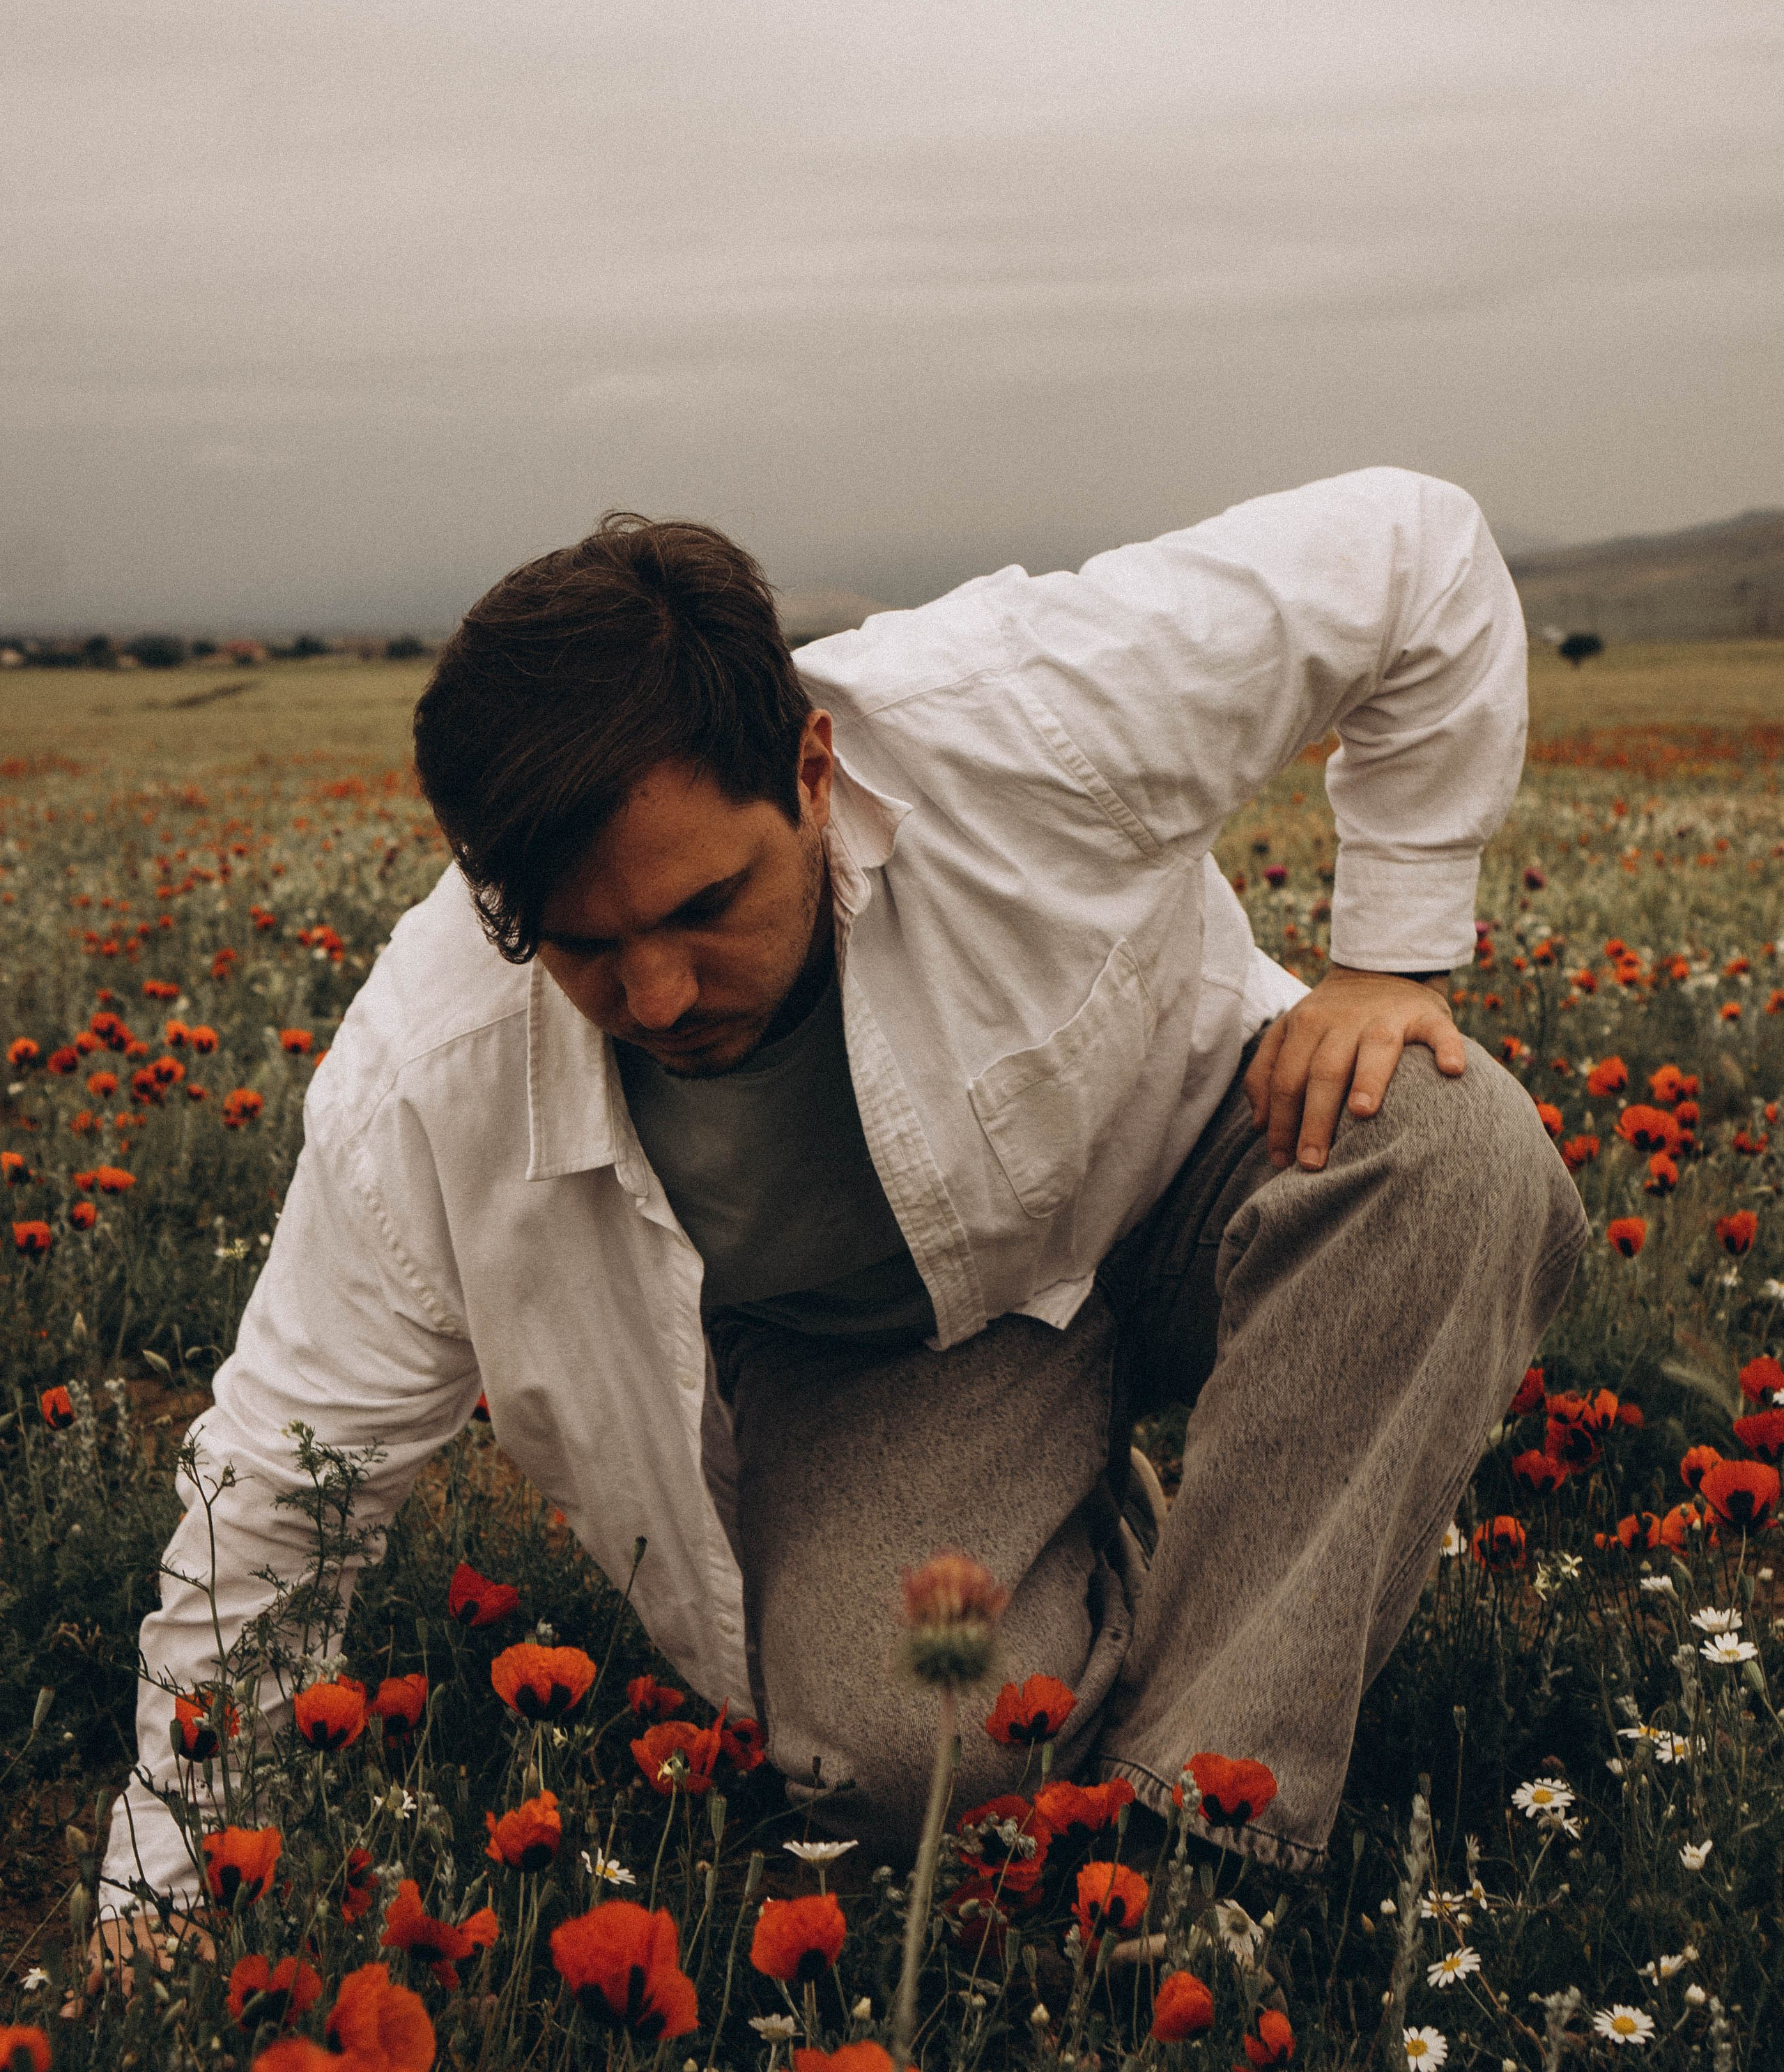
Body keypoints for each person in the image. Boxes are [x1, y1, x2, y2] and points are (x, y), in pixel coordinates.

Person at [98, 464, 1586, 1939]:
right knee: (908, 1767)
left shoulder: (1033, 706)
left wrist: (1390, 955)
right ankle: (1093, 1548)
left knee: (1450, 1143)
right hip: (882, 1355)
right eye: (584, 949)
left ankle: (1198, 1846)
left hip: (1188, 1157)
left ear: (813, 771)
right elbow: (287, 1482)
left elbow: (1415, 552)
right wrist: (161, 1893)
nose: (659, 994)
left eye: (704, 908)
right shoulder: (429, 1072)